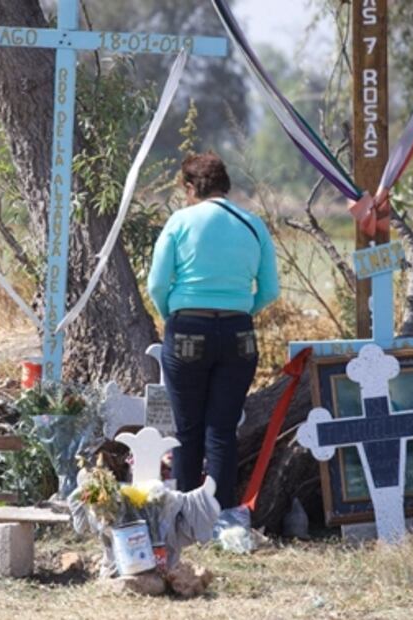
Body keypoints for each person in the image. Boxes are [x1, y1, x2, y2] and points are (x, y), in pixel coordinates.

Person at [147, 151, 280, 510]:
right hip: (238, 333)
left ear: (190, 188)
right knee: (221, 429)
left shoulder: (180, 221)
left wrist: (170, 314)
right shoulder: (254, 224)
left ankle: (187, 512)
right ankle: (219, 514)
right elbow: (269, 290)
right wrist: (240, 310)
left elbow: (157, 283)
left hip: (188, 327)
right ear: (225, 186)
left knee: (188, 430)